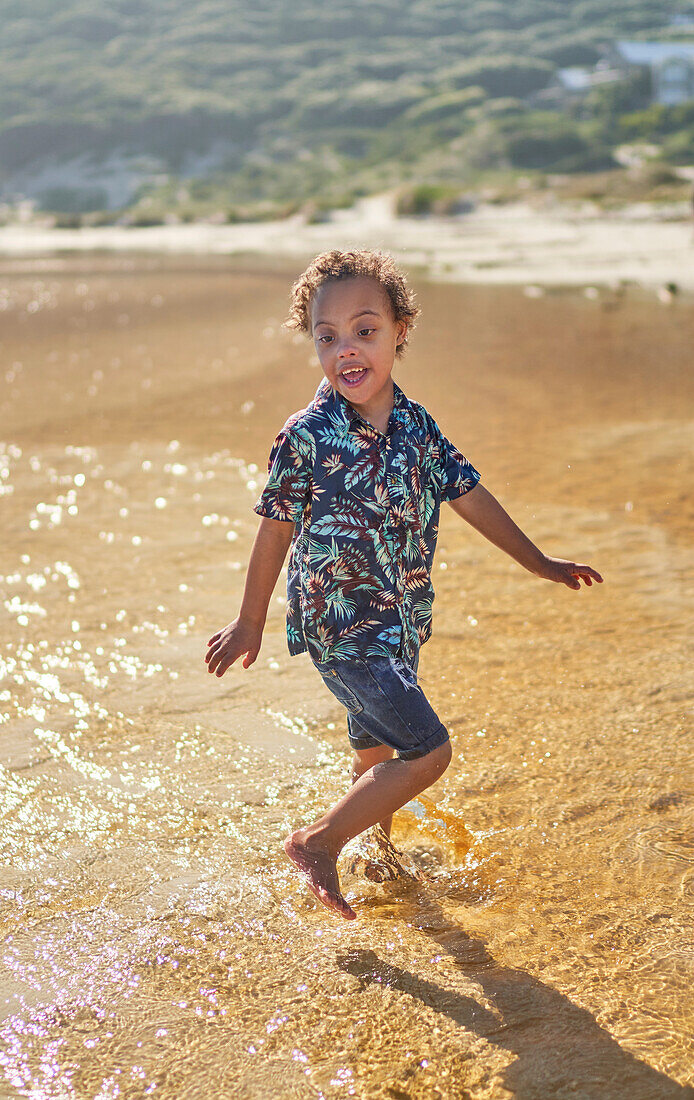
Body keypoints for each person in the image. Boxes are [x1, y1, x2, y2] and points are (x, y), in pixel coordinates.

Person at [206, 248, 603, 920]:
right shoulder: (306, 437)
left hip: (400, 618)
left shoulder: (418, 427)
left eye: (365, 330)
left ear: (401, 332)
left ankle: (378, 859)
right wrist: (250, 620)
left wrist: (539, 563)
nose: (346, 350)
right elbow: (274, 529)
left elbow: (470, 495)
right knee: (428, 748)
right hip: (340, 626)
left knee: (377, 748)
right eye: (327, 337)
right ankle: (318, 842)